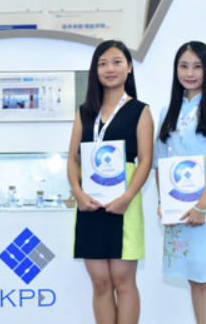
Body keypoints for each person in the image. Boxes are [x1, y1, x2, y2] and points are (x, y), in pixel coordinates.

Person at [67, 40, 153, 324]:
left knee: (123, 281)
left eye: (117, 62)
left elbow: (146, 160)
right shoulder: (84, 111)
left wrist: (127, 197)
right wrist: (78, 193)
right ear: (95, 70)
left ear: (129, 67)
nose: (109, 69)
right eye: (102, 63)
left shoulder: (140, 110)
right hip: (89, 204)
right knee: (100, 282)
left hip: (124, 203)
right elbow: (73, 159)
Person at [152, 41, 206, 324]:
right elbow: (160, 161)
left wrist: (201, 206)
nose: (189, 73)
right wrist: (163, 202)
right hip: (178, 208)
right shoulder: (168, 111)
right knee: (193, 276)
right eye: (183, 66)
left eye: (197, 66)